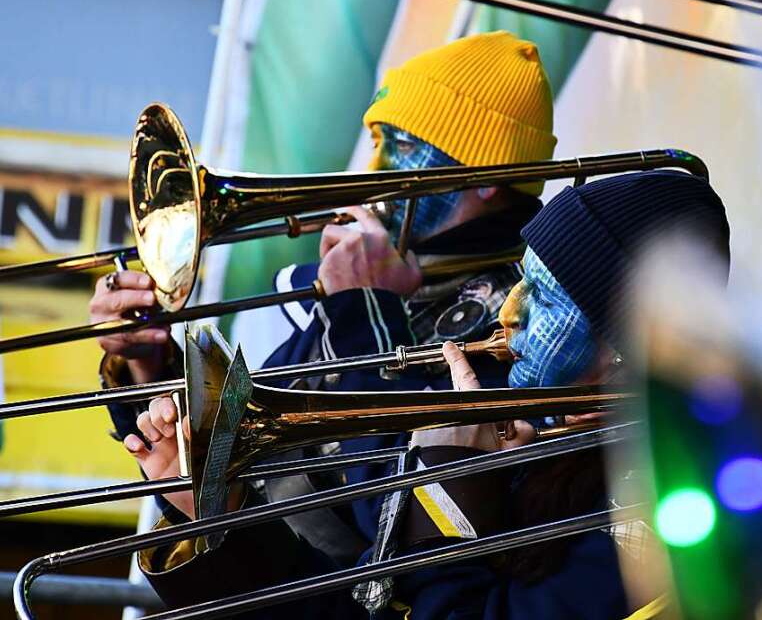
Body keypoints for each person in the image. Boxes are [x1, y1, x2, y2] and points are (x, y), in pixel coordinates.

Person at [127, 170, 731, 620]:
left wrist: (449, 477)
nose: (510, 315)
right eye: (522, 280)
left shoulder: (653, 502)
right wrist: (217, 513)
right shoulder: (538, 429)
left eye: (544, 298)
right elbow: (354, 608)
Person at [91, 31, 557, 563]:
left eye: (401, 146)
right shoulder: (391, 275)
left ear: (484, 178)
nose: (374, 170)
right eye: (377, 142)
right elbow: (241, 439)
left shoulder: (520, 313)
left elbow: (392, 505)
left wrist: (362, 309)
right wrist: (147, 365)